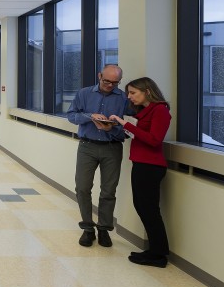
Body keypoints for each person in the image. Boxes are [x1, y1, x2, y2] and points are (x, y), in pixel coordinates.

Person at [110, 77, 171, 268]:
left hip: (151, 166)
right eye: (128, 93)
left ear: (147, 91)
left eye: (133, 93)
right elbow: (140, 135)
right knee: (143, 207)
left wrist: (126, 124)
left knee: (149, 209)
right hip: (141, 163)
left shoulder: (160, 110)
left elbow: (154, 140)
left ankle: (159, 254)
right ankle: (155, 250)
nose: (129, 97)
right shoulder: (145, 111)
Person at [67, 64, 128, 248]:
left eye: (114, 83)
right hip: (87, 146)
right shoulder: (84, 93)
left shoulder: (124, 98)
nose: (109, 85)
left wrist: (113, 127)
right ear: (99, 75)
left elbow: (131, 124)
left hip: (112, 147)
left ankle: (103, 229)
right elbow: (71, 115)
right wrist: (89, 116)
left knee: (108, 191)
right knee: (82, 188)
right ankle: (87, 228)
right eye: (106, 81)